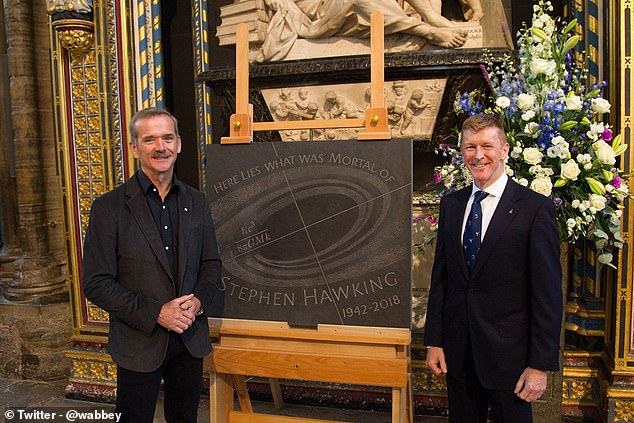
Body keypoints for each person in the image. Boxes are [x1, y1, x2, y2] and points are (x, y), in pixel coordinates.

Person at [82, 107, 222, 423]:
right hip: (138, 341)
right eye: (150, 139)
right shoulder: (109, 208)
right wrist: (158, 313)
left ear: (179, 144)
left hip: (189, 338)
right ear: (134, 148)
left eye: (167, 138)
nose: (161, 146)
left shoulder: (196, 201)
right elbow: (97, 282)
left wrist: (197, 302)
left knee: (184, 418)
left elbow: (211, 264)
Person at [424, 114, 562, 423]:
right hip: (458, 356)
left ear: (505, 150)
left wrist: (539, 366)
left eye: (487, 145)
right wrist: (434, 340)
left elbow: (547, 297)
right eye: (469, 147)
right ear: (462, 152)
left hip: (511, 362)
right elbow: (442, 279)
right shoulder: (452, 204)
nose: (478, 155)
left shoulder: (535, 209)